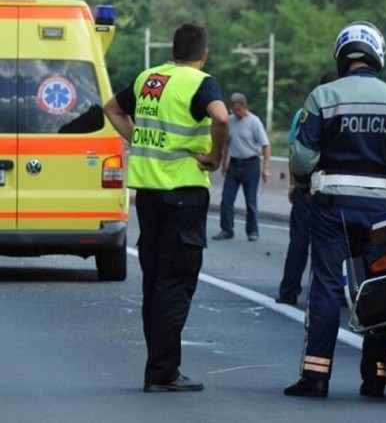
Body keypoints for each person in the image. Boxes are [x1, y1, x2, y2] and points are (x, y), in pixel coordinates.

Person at [284, 21, 386, 398]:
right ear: (377, 57)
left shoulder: (323, 97)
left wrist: (306, 182)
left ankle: (316, 376)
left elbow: (302, 159)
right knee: (379, 287)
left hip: (331, 204)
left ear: (341, 55)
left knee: (326, 286)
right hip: (381, 209)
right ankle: (377, 377)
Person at [103, 24, 229, 392]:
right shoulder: (200, 82)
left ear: (173, 50)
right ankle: (162, 372)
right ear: (203, 54)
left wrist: (136, 138)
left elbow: (112, 107)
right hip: (184, 194)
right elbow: (221, 118)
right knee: (176, 282)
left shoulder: (148, 79)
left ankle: (159, 367)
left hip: (149, 196)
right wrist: (215, 156)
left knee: (156, 282)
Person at [275, 71, 340, 306]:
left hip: (308, 185)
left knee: (300, 240)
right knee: (333, 243)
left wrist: (294, 184)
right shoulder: (345, 112)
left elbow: (296, 151)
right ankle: (333, 291)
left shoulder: (304, 113)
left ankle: (289, 291)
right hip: (336, 187)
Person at [211, 93, 271, 241]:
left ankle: (252, 231)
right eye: (234, 111)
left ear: (244, 106)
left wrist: (266, 167)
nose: (236, 114)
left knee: (250, 200)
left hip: (251, 164)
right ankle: (226, 229)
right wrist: (224, 163)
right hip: (235, 164)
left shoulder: (254, 122)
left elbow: (266, 146)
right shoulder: (230, 121)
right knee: (226, 198)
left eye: (238, 110)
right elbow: (226, 143)